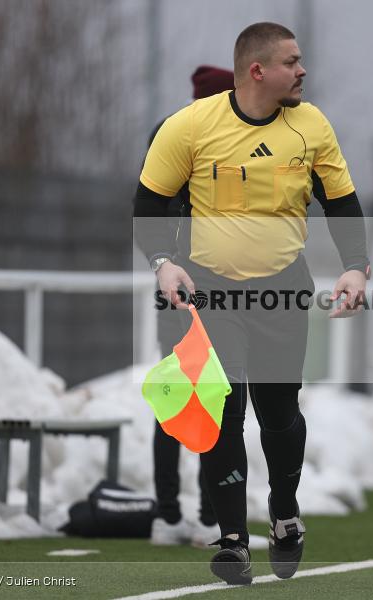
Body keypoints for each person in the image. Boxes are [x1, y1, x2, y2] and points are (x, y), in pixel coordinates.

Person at [133, 22, 369, 585]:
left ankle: (284, 516)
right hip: (212, 292)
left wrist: (356, 266)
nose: (302, 70)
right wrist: (163, 263)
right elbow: (148, 202)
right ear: (257, 71)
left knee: (279, 415)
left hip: (282, 290)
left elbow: (342, 202)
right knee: (222, 410)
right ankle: (233, 541)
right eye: (291, 61)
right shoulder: (190, 126)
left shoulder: (312, 126)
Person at [145, 65, 237, 548]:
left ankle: (170, 515)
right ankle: (206, 517)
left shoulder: (167, 135)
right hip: (203, 287)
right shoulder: (206, 141)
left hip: (173, 287)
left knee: (176, 398)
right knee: (210, 400)